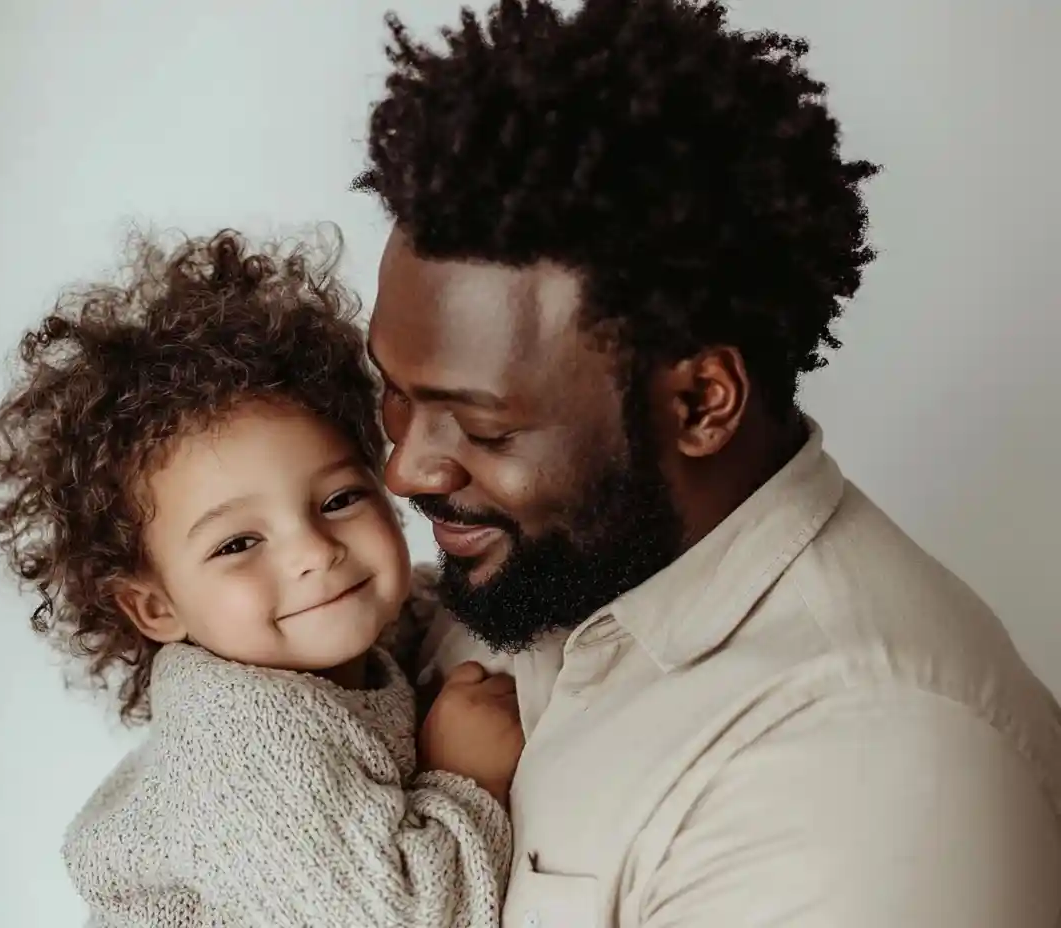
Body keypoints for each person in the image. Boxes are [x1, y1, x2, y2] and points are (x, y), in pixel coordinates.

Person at [354, 1, 1061, 925]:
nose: (405, 468)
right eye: (397, 393)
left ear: (699, 405)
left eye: (482, 428)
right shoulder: (531, 574)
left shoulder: (867, 776)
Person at [0, 229, 521, 927]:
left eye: (339, 501)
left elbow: (409, 611)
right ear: (154, 605)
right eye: (238, 543)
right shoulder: (248, 742)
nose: (313, 553)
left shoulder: (329, 647)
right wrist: (466, 779)